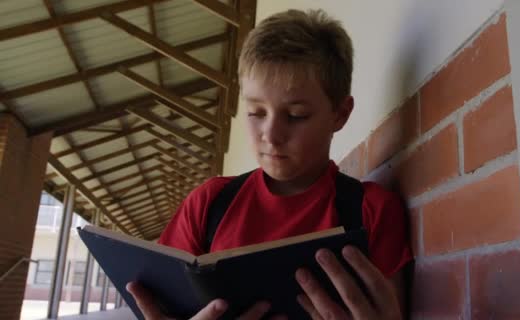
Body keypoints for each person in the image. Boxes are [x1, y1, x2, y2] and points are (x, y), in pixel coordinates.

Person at [126, 8, 412, 320]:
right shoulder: (209, 204)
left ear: (340, 114)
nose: (271, 136)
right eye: (256, 113)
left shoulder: (372, 212)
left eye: (296, 115)